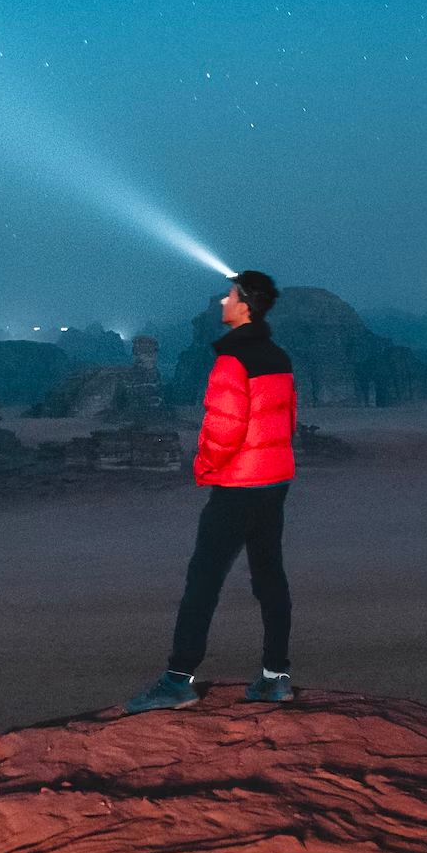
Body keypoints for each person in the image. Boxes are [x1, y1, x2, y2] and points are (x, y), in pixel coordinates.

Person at [125, 269, 296, 711]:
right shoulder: (278, 356)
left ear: (244, 306)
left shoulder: (232, 361)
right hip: (274, 481)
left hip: (237, 485)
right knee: (269, 578)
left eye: (229, 296)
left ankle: (178, 680)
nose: (222, 302)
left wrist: (204, 468)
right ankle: (275, 678)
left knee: (203, 581)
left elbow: (223, 430)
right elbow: (286, 420)